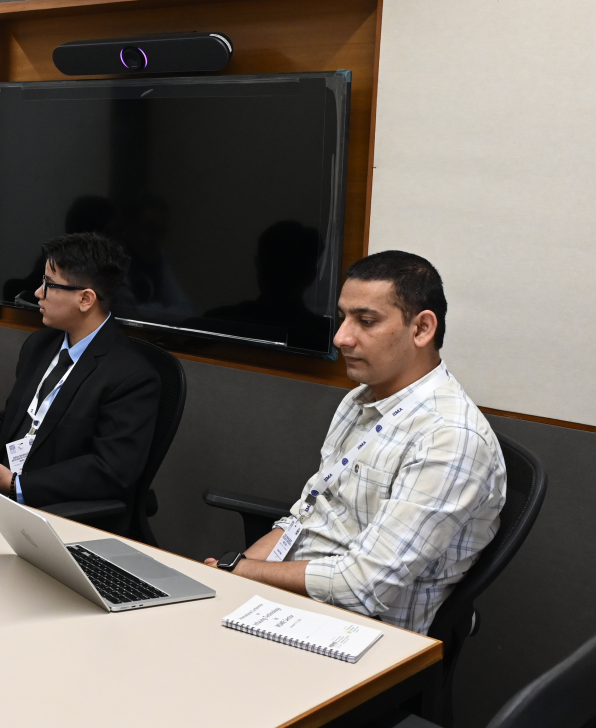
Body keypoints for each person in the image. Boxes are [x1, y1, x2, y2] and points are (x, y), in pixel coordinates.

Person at [200, 251, 507, 635]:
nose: (341, 337)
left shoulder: (450, 439)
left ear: (422, 328)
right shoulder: (360, 399)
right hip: (291, 600)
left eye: (366, 321)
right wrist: (229, 577)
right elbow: (306, 516)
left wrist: (244, 572)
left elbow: (364, 586)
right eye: (343, 317)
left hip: (360, 633)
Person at [0, 233, 159, 526]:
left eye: (49, 284)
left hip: (59, 516)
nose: (38, 293)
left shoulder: (132, 376)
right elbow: (12, 416)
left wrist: (18, 485)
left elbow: (110, 470)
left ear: (85, 299)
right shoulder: (40, 345)